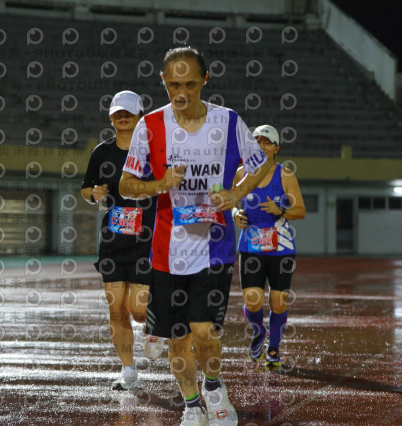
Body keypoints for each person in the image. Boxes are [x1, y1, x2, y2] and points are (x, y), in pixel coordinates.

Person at [120, 47, 270, 426]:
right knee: (178, 339)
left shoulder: (228, 122)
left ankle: (214, 388)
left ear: (205, 80)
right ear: (163, 81)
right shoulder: (149, 126)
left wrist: (235, 194)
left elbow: (261, 165)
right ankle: (191, 405)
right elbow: (126, 185)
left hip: (214, 246)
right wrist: (159, 183)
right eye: (173, 85)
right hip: (166, 251)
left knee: (204, 331)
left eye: (189, 84)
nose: (181, 93)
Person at [81, 90, 164, 391]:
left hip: (147, 239)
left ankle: (155, 325)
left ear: (140, 116)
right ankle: (128, 370)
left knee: (138, 310)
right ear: (111, 118)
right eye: (118, 113)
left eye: (129, 113)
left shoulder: (156, 152)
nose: (123, 117)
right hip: (114, 239)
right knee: (116, 309)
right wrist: (94, 194)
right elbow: (86, 189)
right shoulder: (102, 153)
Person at [232, 124, 306, 366]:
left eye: (267, 142)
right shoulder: (241, 173)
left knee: (278, 301)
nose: (261, 146)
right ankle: (258, 332)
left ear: (276, 148)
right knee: (252, 300)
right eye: (257, 142)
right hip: (250, 247)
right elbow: (230, 202)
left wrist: (280, 209)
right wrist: (235, 214)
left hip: (281, 248)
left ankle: (273, 348)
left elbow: (300, 211)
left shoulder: (285, 175)